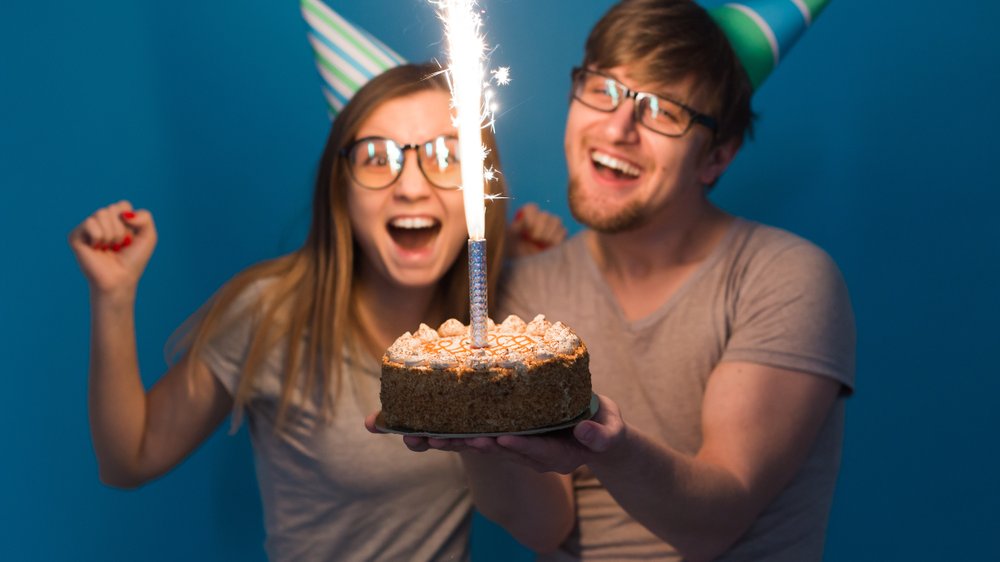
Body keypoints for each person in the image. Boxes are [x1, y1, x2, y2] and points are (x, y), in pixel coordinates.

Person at [381, 1, 856, 560]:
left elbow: (713, 525)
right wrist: (475, 428)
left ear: (717, 156)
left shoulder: (784, 277)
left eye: (663, 110)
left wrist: (602, 442)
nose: (618, 127)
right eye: (604, 89)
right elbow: (544, 527)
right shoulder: (521, 306)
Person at [68, 62, 565, 561]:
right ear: (340, 188)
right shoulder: (272, 312)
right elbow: (128, 460)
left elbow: (548, 529)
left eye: (446, 155)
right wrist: (112, 296)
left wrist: (526, 282)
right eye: (376, 157)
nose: (411, 187)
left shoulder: (499, 332)